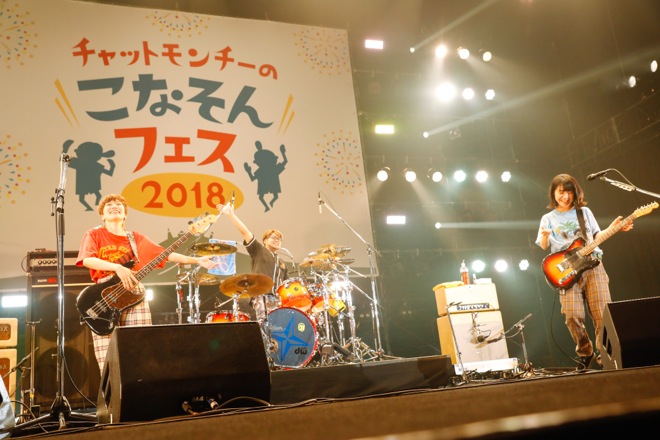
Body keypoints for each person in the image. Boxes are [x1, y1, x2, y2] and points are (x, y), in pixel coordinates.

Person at [76, 193, 218, 373]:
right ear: (102, 215)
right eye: (109, 204)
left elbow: (164, 254)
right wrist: (117, 268)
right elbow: (87, 260)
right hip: (103, 296)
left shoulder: (135, 238)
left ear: (125, 214)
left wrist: (197, 260)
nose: (114, 206)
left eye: (119, 204)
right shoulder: (94, 234)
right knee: (107, 357)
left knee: (140, 344)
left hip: (133, 291)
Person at [536, 174, 633, 370]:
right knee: (572, 315)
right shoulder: (548, 218)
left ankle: (604, 356)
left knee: (602, 314)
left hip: (593, 265)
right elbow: (543, 245)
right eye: (561, 192)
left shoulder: (584, 212)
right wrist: (545, 236)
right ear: (553, 193)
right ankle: (585, 351)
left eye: (569, 192)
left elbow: (597, 236)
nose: (565, 197)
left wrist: (614, 228)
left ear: (575, 193)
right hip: (567, 270)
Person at [217, 202, 288, 320]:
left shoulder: (282, 262)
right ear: (264, 241)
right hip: (263, 296)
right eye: (273, 238)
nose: (277, 240)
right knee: (265, 325)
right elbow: (245, 232)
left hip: (279, 300)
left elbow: (286, 285)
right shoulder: (259, 250)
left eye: (279, 239)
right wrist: (231, 215)